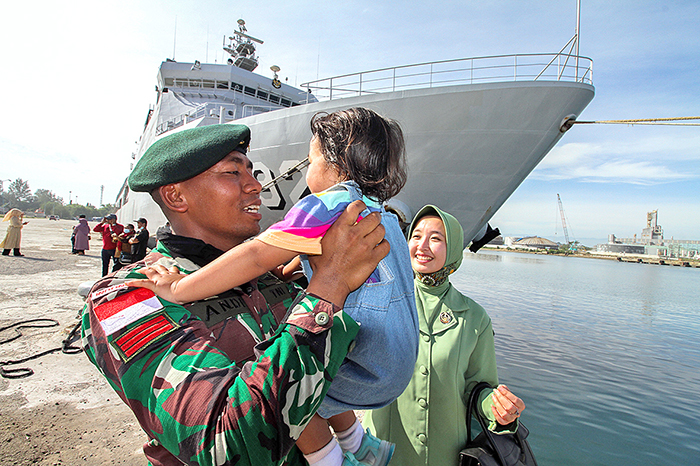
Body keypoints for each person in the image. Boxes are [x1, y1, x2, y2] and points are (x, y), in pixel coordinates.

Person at [80, 123, 390, 466]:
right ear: (176, 197)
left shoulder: (271, 278)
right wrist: (328, 288)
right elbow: (226, 446)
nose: (256, 185)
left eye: (251, 171)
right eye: (232, 172)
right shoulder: (129, 295)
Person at [363, 205, 526, 466]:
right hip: (381, 454)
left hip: (445, 456)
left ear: (453, 249)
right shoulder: (381, 299)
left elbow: (477, 389)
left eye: (436, 238)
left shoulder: (475, 317)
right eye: (416, 236)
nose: (422, 246)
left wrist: (498, 408)